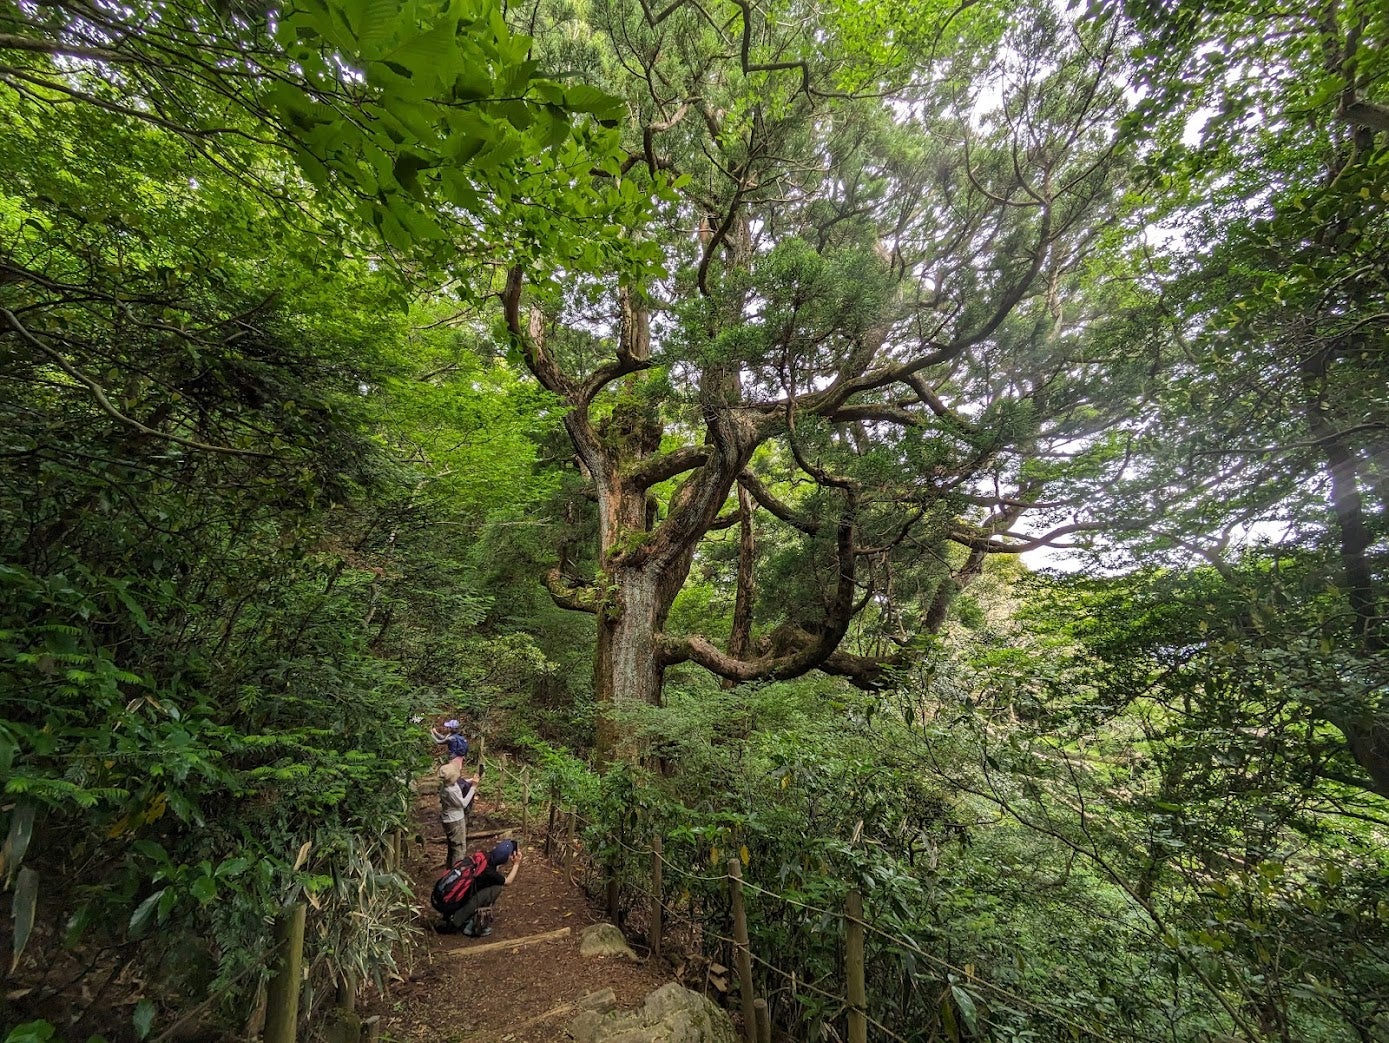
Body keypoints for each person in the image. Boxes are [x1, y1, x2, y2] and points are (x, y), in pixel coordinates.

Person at [447, 840, 522, 937]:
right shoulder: (490, 872)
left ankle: (463, 917)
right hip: (465, 899)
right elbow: (508, 881)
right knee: (496, 889)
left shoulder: (484, 856)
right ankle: (469, 923)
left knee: (489, 888)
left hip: (458, 895)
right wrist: (516, 864)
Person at [438, 755, 477, 867]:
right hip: (455, 821)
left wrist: (471, 781)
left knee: (452, 846)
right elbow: (463, 804)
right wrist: (473, 788)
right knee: (459, 848)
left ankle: (449, 870)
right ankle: (457, 874)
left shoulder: (448, 785)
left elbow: (459, 785)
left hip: (449, 819)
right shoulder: (449, 791)